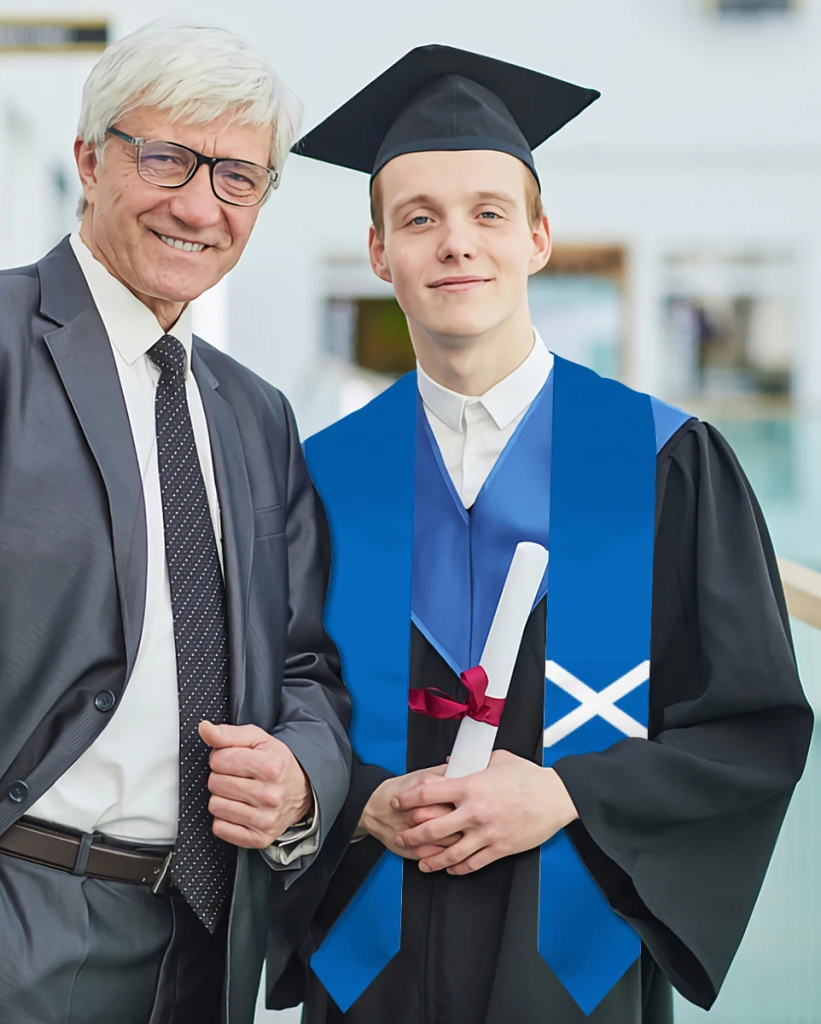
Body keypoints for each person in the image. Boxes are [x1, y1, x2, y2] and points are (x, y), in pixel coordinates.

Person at [0, 21, 351, 1024]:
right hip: (1, 928)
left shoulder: (255, 412)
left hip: (201, 942)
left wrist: (302, 777)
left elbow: (304, 662)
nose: (198, 204)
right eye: (166, 157)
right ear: (89, 160)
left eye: (237, 176)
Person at [266, 44, 813, 1024]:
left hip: (573, 968)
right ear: (379, 252)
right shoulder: (316, 477)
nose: (454, 243)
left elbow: (748, 728)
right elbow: (269, 709)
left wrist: (569, 796)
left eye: (487, 212)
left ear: (539, 238)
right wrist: (359, 802)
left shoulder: (666, 463)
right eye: (418, 218)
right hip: (371, 970)